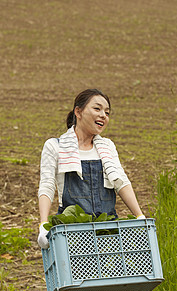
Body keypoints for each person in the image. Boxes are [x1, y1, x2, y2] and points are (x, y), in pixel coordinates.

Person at [37, 89, 145, 249]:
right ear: (78, 112)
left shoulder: (107, 146)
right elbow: (47, 185)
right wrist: (43, 224)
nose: (103, 115)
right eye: (97, 109)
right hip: (72, 233)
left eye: (107, 113)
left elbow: (121, 182)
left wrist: (140, 216)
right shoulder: (55, 146)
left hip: (107, 231)